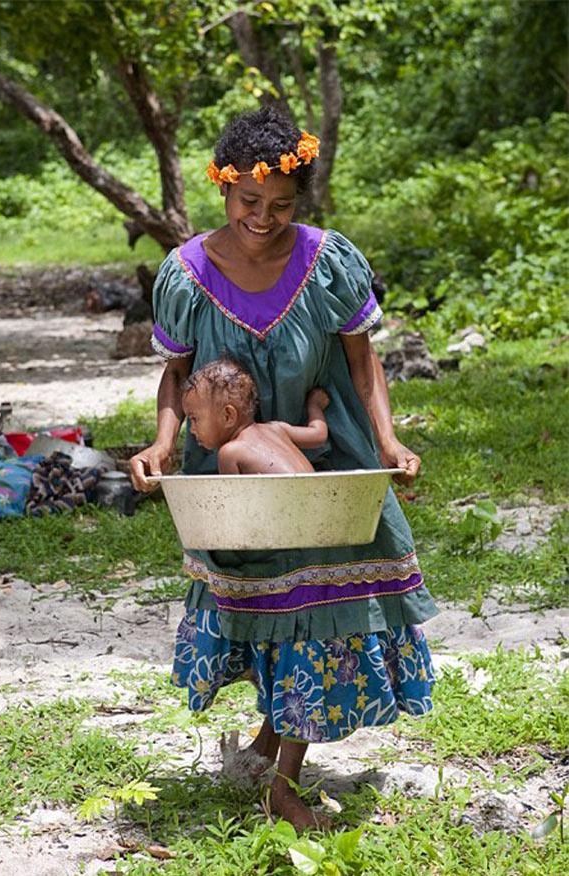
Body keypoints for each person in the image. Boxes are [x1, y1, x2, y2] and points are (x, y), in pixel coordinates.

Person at [130, 106, 438, 831]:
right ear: (223, 187)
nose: (263, 217)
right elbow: (176, 376)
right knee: (263, 603)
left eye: (282, 205)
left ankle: (280, 784)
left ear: (301, 201)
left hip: (328, 470)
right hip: (236, 481)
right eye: (248, 202)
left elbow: (365, 365)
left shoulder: (328, 261)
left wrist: (389, 444)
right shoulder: (186, 274)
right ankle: (272, 742)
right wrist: (162, 445)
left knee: (322, 608)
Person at [181, 356, 330, 474]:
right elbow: (319, 435)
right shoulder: (276, 429)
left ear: (228, 416)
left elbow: (235, 505)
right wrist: (314, 405)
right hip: (317, 501)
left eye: (194, 419)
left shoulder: (230, 453)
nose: (192, 429)